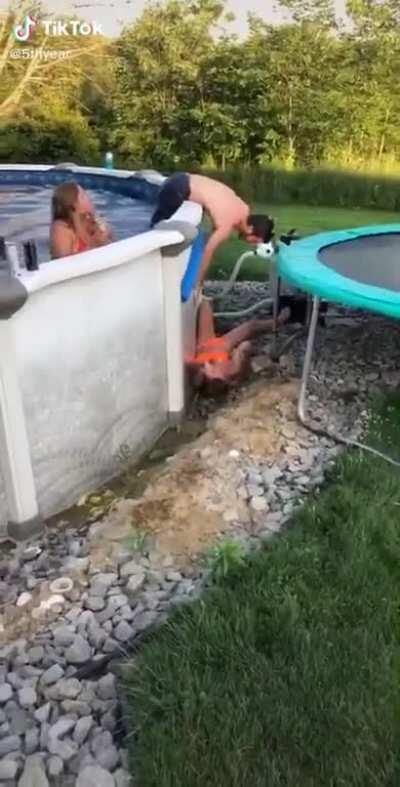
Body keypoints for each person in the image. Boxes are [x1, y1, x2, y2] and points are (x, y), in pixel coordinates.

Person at [151, 173, 274, 286]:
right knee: (156, 226)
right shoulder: (227, 224)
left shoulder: (242, 207)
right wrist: (197, 284)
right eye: (254, 240)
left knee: (163, 222)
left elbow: (216, 211)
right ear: (251, 228)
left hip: (179, 178)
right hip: (176, 190)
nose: (251, 243)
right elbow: (207, 252)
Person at [187, 299, 290, 396]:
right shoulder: (232, 371)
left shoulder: (209, 371)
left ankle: (276, 323)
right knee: (249, 330)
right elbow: (245, 342)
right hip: (218, 350)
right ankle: (278, 322)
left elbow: (197, 375)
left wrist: (204, 368)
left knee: (205, 305)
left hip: (210, 347)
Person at [50, 182, 112, 259]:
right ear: (73, 204)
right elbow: (61, 264)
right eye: (83, 196)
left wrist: (106, 235)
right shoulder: (61, 228)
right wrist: (96, 243)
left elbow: (112, 242)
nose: (88, 198)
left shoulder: (88, 220)